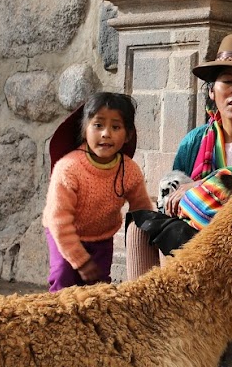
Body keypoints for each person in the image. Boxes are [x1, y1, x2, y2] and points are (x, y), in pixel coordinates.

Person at [124, 33, 232, 277]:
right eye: (228, 81)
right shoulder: (196, 140)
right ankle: (142, 308)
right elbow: (173, 197)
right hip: (201, 231)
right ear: (212, 91)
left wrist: (204, 186)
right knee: (139, 226)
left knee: (177, 236)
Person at [42, 91, 154, 292]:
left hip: (102, 238)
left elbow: (142, 210)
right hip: (65, 233)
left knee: (99, 287)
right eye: (98, 125)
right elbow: (58, 220)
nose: (106, 133)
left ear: (128, 135)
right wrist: (80, 260)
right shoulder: (68, 168)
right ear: (85, 129)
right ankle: (58, 321)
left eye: (116, 127)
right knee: (63, 280)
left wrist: (155, 236)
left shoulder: (129, 170)